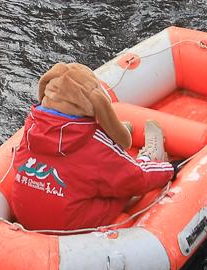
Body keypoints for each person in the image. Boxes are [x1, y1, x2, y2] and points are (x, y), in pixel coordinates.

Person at [10, 62, 174, 233]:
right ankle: (150, 157)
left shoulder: (31, 129)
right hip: (68, 225)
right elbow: (136, 179)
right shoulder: (93, 144)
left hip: (24, 215)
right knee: (121, 188)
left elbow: (18, 162)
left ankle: (117, 136)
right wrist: (169, 168)